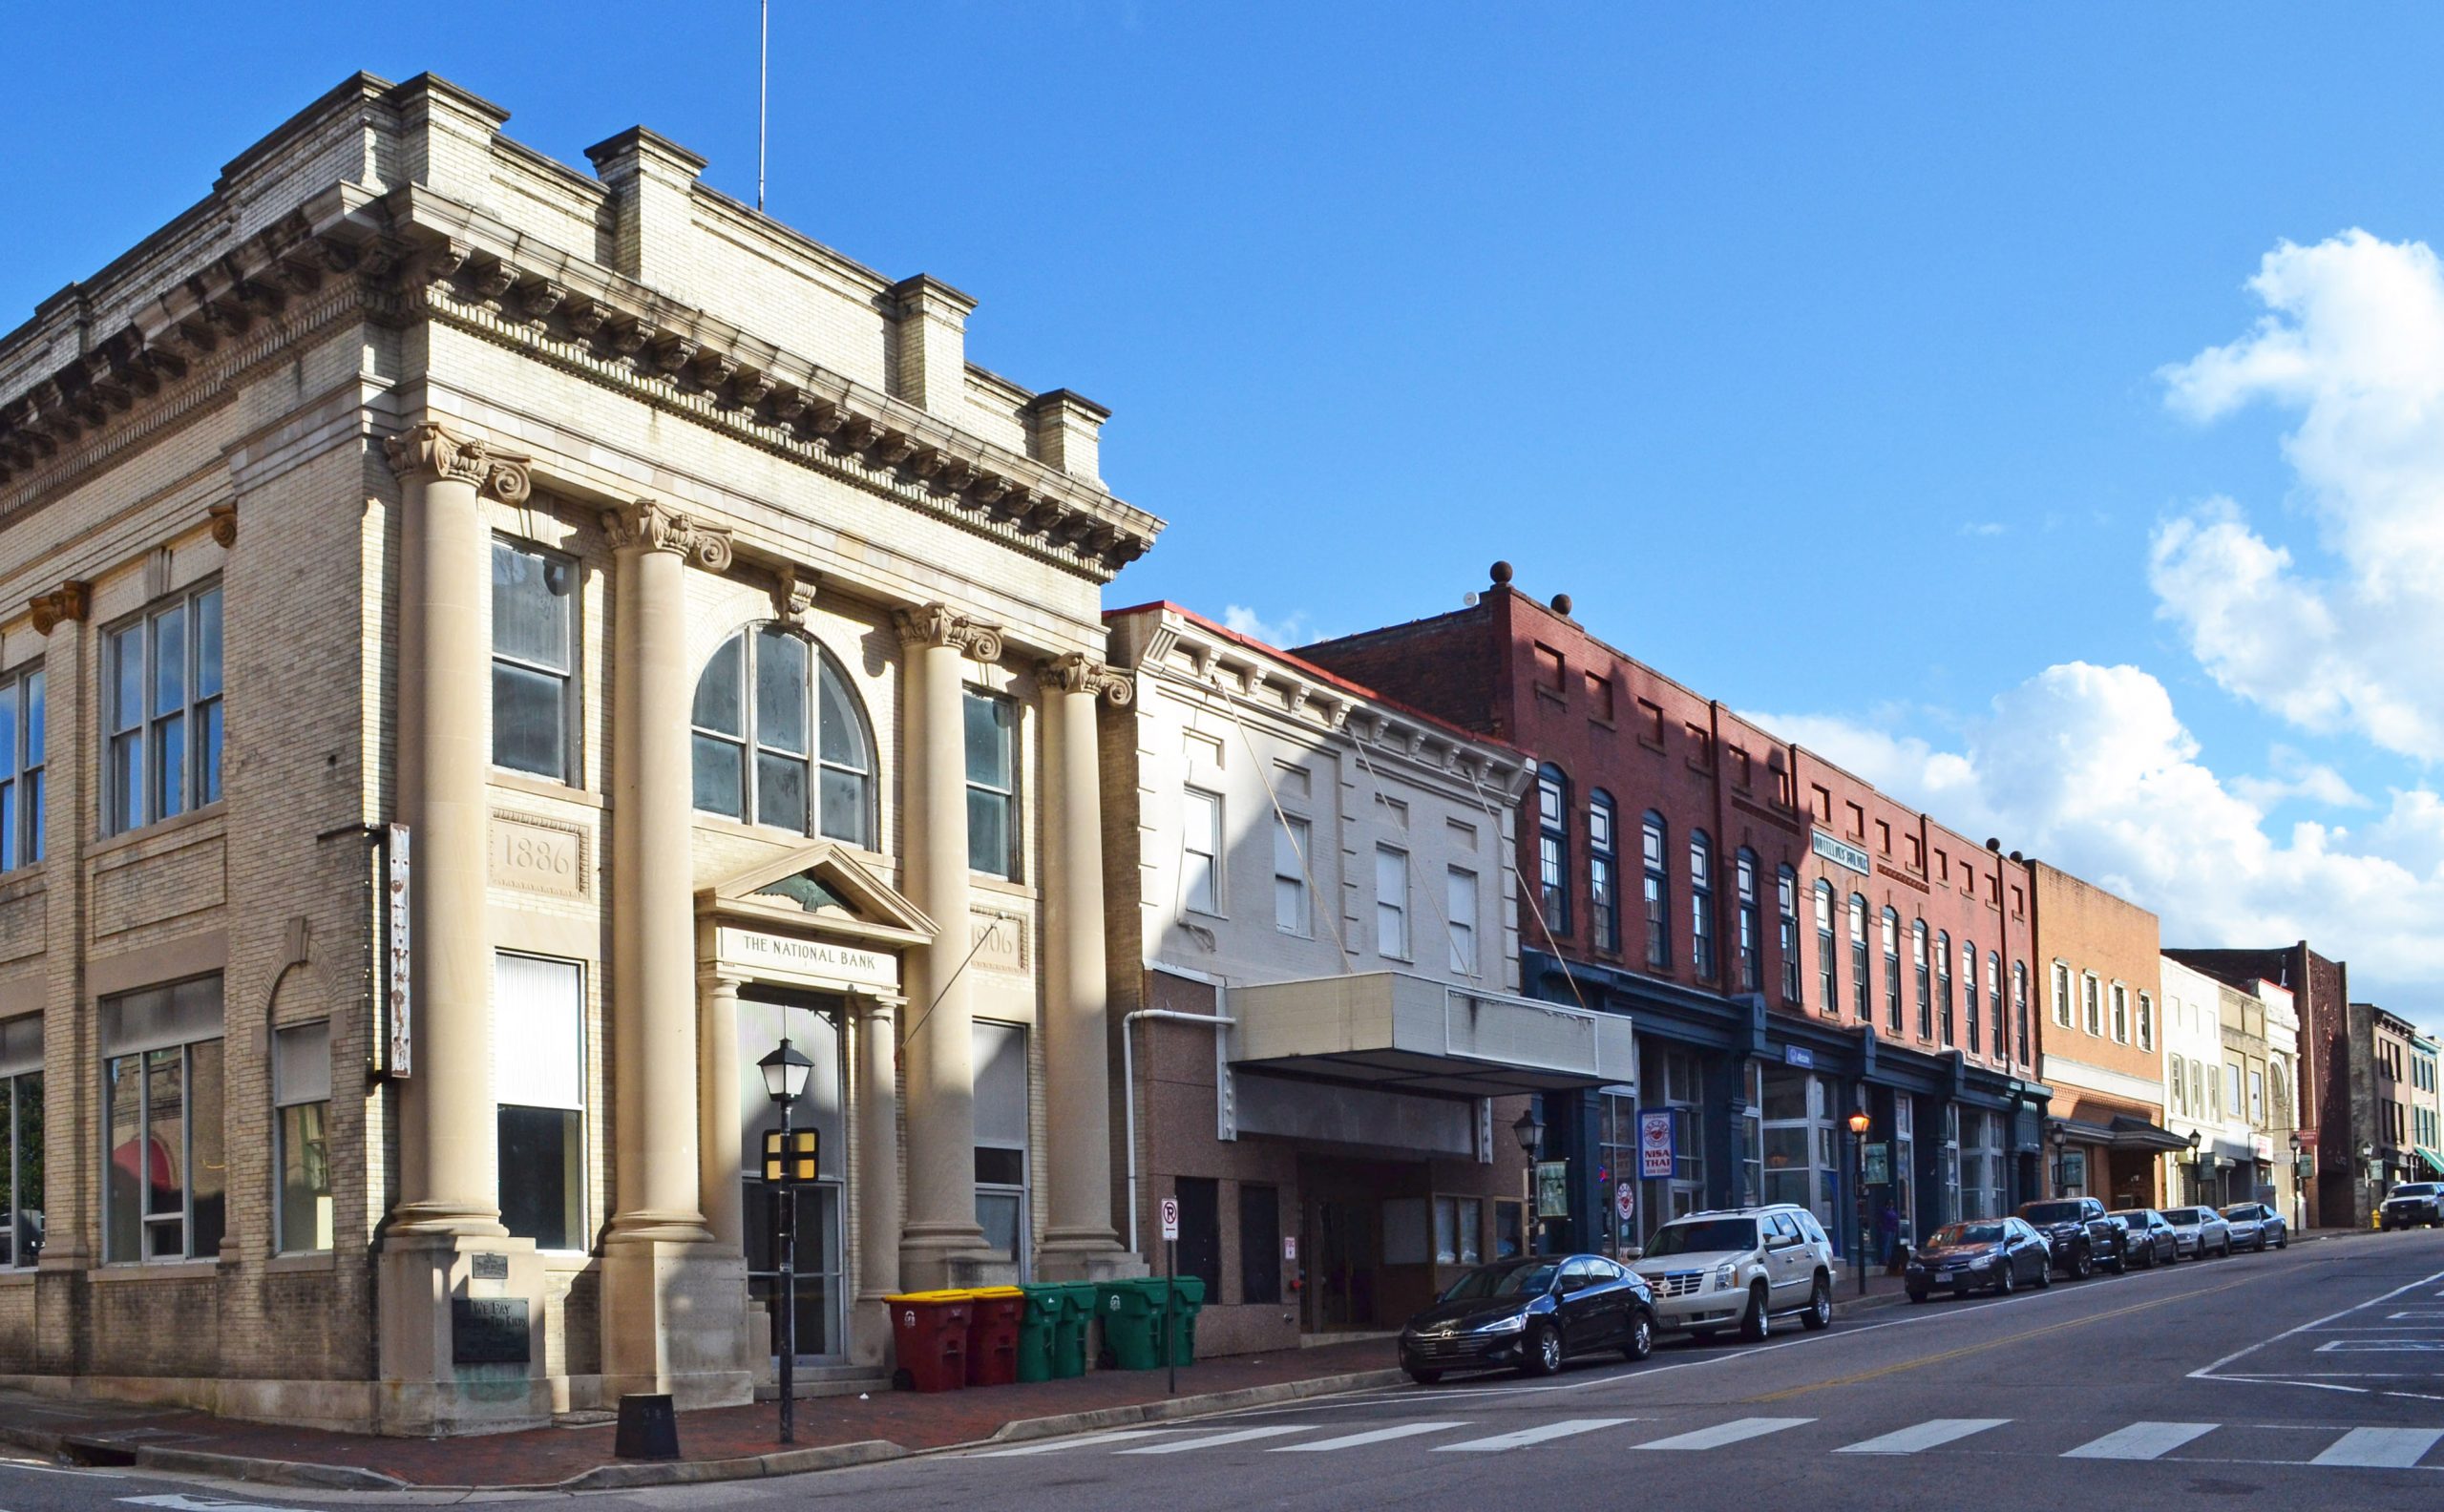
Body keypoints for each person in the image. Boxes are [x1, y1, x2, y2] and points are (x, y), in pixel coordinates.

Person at [1879, 1198, 1904, 1273]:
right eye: (1890, 1203)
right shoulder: (1884, 1211)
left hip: (1893, 1230)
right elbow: (1882, 1220)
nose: (1891, 1205)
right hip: (1887, 1229)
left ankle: (1889, 1259)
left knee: (1890, 1245)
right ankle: (1885, 1260)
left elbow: (1896, 1220)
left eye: (1892, 1203)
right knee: (1886, 1245)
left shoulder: (1893, 1211)